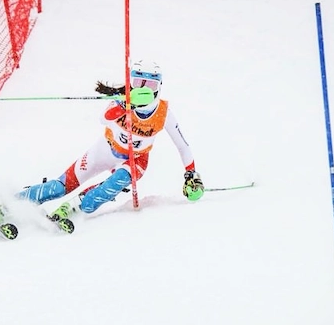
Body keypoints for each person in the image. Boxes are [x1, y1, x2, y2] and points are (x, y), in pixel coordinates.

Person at [16, 60, 204, 220]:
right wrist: (125, 106)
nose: (144, 89)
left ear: (159, 87)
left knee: (112, 184)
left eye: (150, 85)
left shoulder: (164, 113)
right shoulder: (122, 100)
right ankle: (16, 201)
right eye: (138, 82)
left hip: (134, 160)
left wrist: (191, 173)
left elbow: (183, 146)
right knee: (60, 187)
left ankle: (74, 207)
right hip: (104, 151)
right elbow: (104, 118)